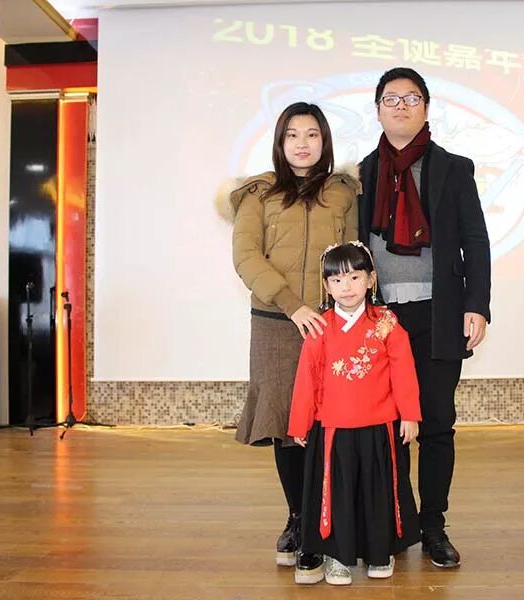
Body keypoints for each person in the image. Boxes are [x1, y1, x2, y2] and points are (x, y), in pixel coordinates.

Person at [357, 67, 491, 568]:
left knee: (436, 423)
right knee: (387, 426)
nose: (401, 106)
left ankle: (434, 526)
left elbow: (476, 241)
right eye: (391, 99)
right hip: (380, 318)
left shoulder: (454, 168)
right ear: (377, 110)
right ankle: (399, 525)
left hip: (440, 313)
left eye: (412, 98)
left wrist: (477, 304)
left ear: (427, 108)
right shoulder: (361, 174)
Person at [227, 102, 359, 580]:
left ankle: (328, 522)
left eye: (312, 134)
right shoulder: (258, 194)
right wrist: (291, 305)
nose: (303, 144)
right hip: (276, 323)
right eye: (292, 135)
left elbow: (354, 256)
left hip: (330, 323)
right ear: (280, 143)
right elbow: (246, 255)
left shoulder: (343, 193)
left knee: (328, 425)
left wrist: (346, 312)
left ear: (325, 141)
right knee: (287, 425)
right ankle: (299, 520)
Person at [288, 241, 422, 585]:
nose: (345, 287)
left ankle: (380, 552)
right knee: (338, 494)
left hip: (379, 426)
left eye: (354, 277)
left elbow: (403, 371)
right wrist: (301, 422)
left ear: (371, 279)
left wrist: (409, 414)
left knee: (378, 493)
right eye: (336, 280)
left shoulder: (387, 323)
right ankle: (338, 557)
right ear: (326, 285)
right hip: (334, 428)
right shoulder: (320, 328)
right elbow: (307, 379)